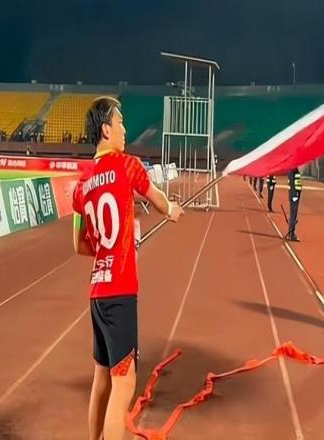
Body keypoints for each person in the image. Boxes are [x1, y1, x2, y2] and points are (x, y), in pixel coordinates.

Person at [72, 96, 183, 440]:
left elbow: (79, 245)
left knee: (101, 379)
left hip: (98, 292)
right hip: (120, 292)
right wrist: (172, 209)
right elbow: (158, 199)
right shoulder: (127, 165)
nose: (125, 129)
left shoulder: (81, 185)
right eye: (120, 123)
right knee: (124, 384)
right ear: (106, 130)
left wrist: (110, 248)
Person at [286, 168, 302, 242]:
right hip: (294, 196)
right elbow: (292, 184)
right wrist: (294, 195)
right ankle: (291, 234)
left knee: (294, 215)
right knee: (293, 215)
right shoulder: (292, 170)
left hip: (296, 195)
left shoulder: (294, 170)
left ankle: (292, 233)